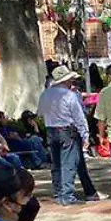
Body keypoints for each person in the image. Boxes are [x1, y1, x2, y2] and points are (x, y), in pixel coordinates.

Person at [38, 67, 95, 204]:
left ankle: (58, 193)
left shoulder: (45, 94)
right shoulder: (69, 95)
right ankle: (67, 196)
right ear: (67, 80)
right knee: (68, 163)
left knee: (56, 164)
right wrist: (85, 135)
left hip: (51, 130)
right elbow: (78, 117)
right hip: (67, 131)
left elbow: (40, 113)